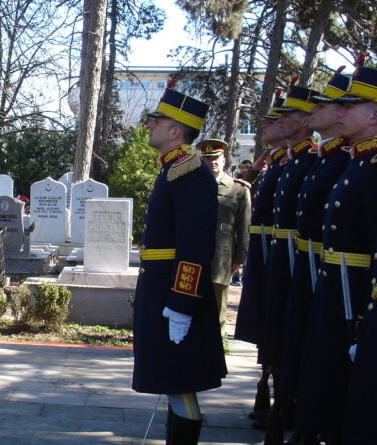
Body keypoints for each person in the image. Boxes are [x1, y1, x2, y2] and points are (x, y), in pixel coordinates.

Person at [133, 81, 225, 444]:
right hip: (161, 287)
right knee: (172, 380)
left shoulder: (189, 172)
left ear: (175, 131)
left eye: (156, 120)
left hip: (173, 291)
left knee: (179, 382)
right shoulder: (173, 169)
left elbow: (196, 245)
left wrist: (183, 302)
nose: (149, 124)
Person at [297, 63, 377, 444]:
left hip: (356, 296)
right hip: (337, 289)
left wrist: (362, 317)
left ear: (374, 115)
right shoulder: (359, 161)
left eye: (351, 105)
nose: (340, 112)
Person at [278, 68, 350, 444]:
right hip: (316, 270)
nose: (312, 113)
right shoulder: (327, 158)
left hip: (344, 282)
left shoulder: (345, 159)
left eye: (321, 106)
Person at [257, 82, 320, 440]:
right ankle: (277, 401)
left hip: (303, 264)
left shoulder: (310, 160)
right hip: (282, 259)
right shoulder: (289, 160)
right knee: (276, 334)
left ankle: (288, 406)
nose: (276, 123)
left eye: (286, 116)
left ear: (304, 121)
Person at [233, 92, 289, 422]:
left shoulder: (293, 162)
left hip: (282, 260)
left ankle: (283, 400)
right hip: (267, 258)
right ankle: (271, 390)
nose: (265, 126)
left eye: (274, 121)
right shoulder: (274, 162)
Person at [197, 139, 251, 339]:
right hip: (196, 251)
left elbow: (244, 227)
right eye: (208, 158)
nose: (212, 162)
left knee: (218, 300)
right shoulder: (195, 186)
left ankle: (218, 343)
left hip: (222, 254)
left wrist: (239, 258)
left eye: (216, 158)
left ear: (224, 160)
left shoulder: (238, 189)